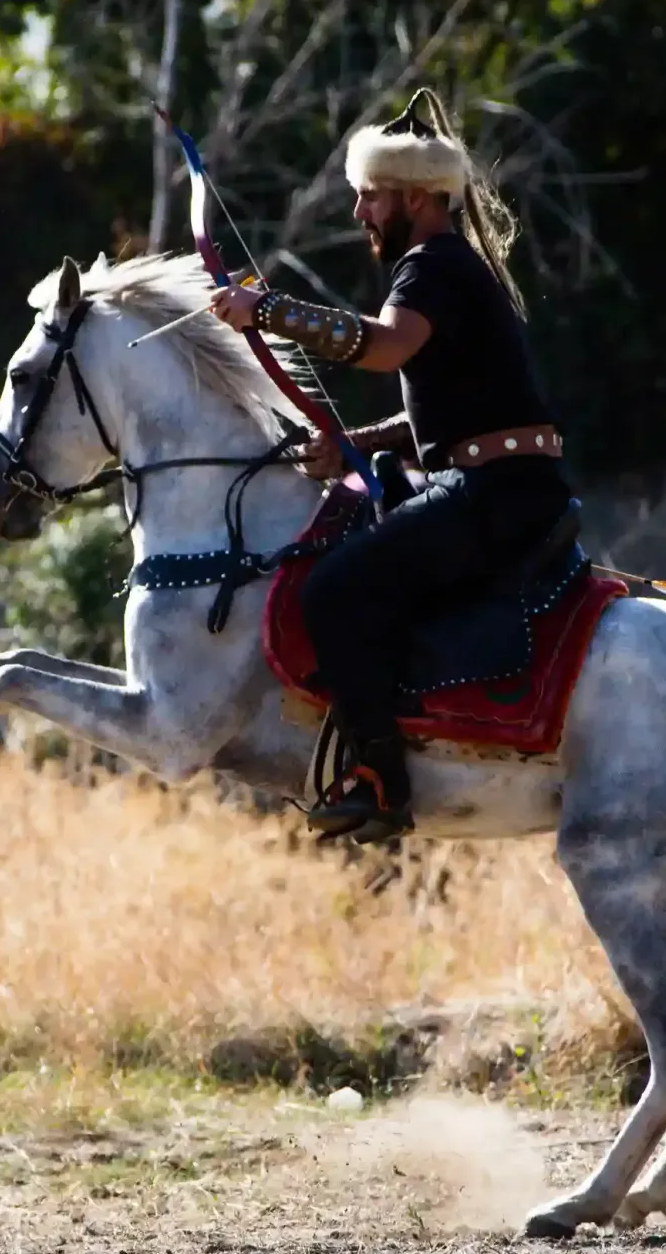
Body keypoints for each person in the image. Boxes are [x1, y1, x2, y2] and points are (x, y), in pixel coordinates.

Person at [207, 88, 574, 844]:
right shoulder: (450, 266)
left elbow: (382, 346)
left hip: (493, 496)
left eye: (370, 196)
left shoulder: (432, 266)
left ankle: (379, 775)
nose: (359, 214)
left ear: (414, 195)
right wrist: (356, 442)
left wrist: (268, 310)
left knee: (336, 590)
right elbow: (453, 415)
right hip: (505, 486)